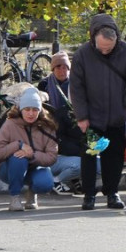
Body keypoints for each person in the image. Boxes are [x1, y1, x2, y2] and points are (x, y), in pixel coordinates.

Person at [70, 13, 126, 210]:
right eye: (101, 48)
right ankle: (89, 195)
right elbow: (76, 88)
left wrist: (124, 105)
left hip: (117, 117)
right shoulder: (82, 55)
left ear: (116, 40)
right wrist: (82, 116)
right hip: (92, 118)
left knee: (115, 157)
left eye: (108, 49)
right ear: (94, 38)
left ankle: (112, 193)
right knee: (90, 156)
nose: (104, 52)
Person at [0, 87, 58, 211]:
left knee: (46, 184)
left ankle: (32, 193)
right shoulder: (9, 124)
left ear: (40, 110)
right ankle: (14, 197)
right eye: (27, 109)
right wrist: (18, 145)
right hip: (9, 169)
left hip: (35, 167)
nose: (31, 113)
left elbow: (52, 156)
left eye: (35, 110)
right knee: (19, 158)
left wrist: (32, 154)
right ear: (21, 109)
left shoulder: (47, 126)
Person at [38, 51, 89, 195]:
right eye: (58, 67)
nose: (62, 70)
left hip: (73, 126)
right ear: (53, 69)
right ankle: (66, 180)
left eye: (65, 67)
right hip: (52, 126)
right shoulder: (45, 85)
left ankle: (76, 180)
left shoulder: (76, 83)